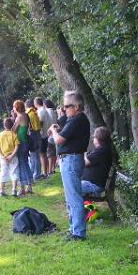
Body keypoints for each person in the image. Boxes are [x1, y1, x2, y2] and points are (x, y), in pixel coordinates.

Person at [50, 91, 91, 241]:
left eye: (67, 106)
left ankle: (78, 233)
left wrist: (54, 131)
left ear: (78, 106)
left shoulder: (77, 120)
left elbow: (59, 140)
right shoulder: (75, 119)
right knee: (71, 197)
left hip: (71, 160)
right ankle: (74, 229)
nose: (64, 108)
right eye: (63, 106)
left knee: (74, 198)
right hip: (71, 160)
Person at [81, 126, 112, 196]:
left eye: (94, 137)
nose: (93, 139)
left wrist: (84, 154)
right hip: (91, 183)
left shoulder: (102, 150)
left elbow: (86, 162)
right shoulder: (102, 149)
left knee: (73, 185)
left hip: (94, 185)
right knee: (72, 184)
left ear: (99, 138)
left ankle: (80, 206)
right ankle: (84, 206)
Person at [12, 100, 34, 195]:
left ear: (16, 108)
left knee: (21, 164)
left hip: (21, 143)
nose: (13, 108)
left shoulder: (19, 117)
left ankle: (22, 188)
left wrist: (13, 118)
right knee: (25, 163)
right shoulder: (25, 115)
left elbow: (13, 130)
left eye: (14, 107)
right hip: (26, 141)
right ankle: (29, 186)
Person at [0, 118, 20, 197]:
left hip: (3, 157)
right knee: (14, 172)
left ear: (4, 125)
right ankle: (14, 190)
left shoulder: (0, 135)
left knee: (3, 172)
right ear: (12, 125)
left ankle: (2, 190)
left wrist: (1, 155)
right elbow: (17, 146)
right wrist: (12, 155)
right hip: (13, 156)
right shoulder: (14, 134)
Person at [35, 97, 53, 178]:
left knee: (42, 154)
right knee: (44, 154)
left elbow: (40, 123)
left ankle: (44, 172)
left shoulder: (41, 111)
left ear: (36, 103)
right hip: (46, 134)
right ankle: (45, 171)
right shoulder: (45, 110)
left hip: (42, 135)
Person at [26, 99, 43, 180]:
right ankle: (38, 173)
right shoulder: (35, 112)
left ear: (27, 106)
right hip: (38, 134)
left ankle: (35, 175)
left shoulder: (29, 114)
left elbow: (28, 127)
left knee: (33, 156)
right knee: (37, 155)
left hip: (33, 135)